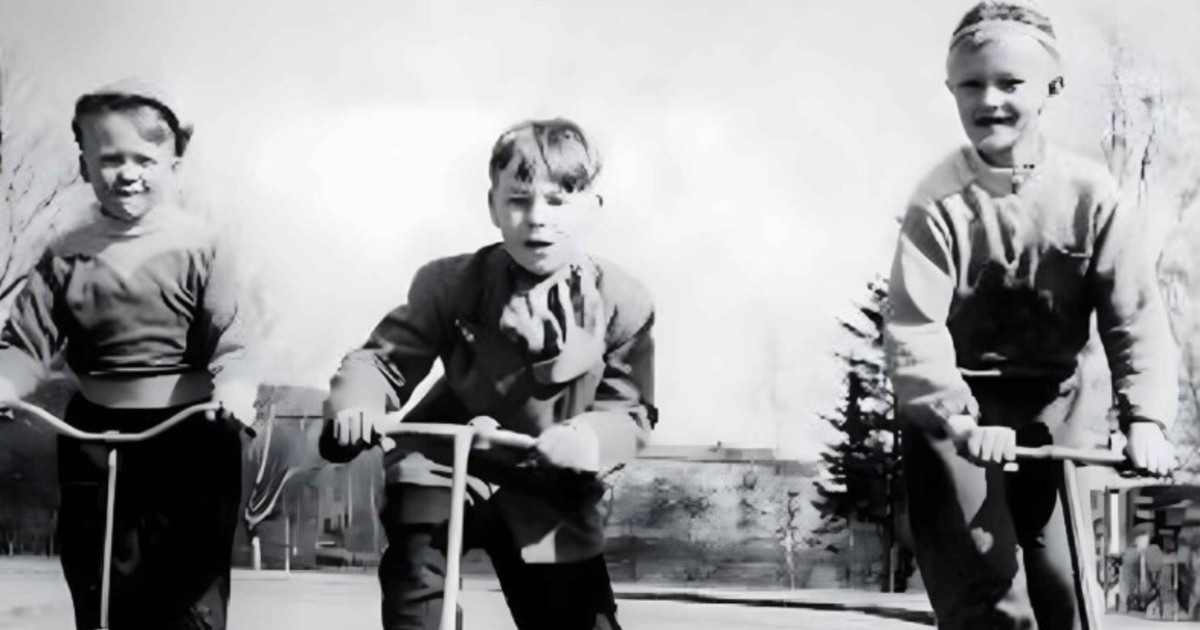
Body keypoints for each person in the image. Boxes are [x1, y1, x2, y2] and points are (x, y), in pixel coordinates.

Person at [883, 2, 1179, 628]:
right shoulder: (938, 202)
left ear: (1052, 88)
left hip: (1057, 409)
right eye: (972, 84)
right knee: (989, 596)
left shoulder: (1091, 195)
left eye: (1011, 83)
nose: (990, 100)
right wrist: (959, 419)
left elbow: (1133, 315)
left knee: (1069, 590)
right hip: (957, 416)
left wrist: (1146, 419)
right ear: (951, 90)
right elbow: (914, 329)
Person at [320, 118, 655, 630]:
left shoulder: (622, 301)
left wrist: (587, 439)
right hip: (448, 465)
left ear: (592, 208)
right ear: (493, 207)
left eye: (557, 201)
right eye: (518, 200)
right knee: (418, 574)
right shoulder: (452, 283)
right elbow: (382, 360)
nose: (536, 219)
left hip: (549, 475)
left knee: (578, 616)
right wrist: (358, 405)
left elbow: (630, 410)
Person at [0, 78, 259, 630]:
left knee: (190, 589)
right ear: (84, 166)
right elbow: (25, 344)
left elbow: (233, 339)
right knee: (98, 581)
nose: (127, 173)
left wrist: (236, 389)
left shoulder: (202, 245)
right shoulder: (65, 252)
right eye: (110, 158)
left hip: (190, 432)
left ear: (173, 166)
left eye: (144, 159)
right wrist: (7, 382)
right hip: (95, 433)